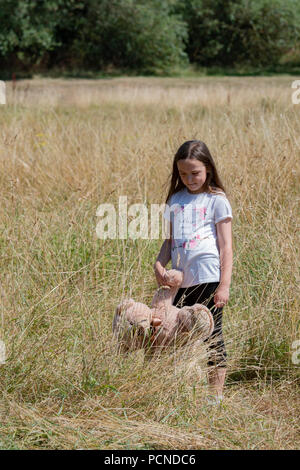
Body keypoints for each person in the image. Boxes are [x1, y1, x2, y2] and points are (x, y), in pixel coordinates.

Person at [154, 140, 233, 404]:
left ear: (208, 168)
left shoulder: (217, 200)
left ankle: (215, 396)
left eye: (195, 172)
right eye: (183, 174)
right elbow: (169, 241)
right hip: (180, 280)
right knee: (174, 331)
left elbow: (226, 246)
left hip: (208, 277)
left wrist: (224, 285)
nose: (189, 179)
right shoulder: (175, 199)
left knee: (211, 333)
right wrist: (158, 263)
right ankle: (175, 388)